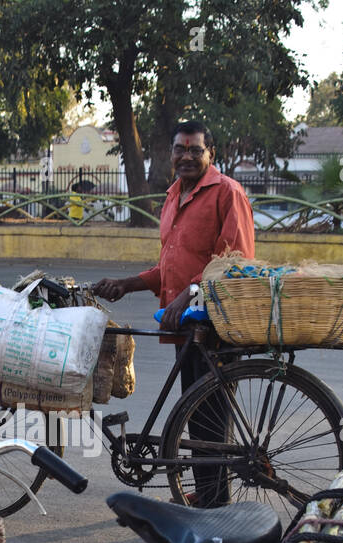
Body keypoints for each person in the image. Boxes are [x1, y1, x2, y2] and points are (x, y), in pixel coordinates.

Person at [93, 120, 256, 504]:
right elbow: (168, 267)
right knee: (197, 414)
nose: (186, 156)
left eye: (195, 150)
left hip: (216, 320)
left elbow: (235, 262)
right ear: (170, 154)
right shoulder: (173, 196)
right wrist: (127, 284)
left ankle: (215, 503)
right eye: (180, 149)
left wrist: (186, 295)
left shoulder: (226, 193)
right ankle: (207, 494)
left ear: (210, 153)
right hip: (186, 324)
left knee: (211, 416)